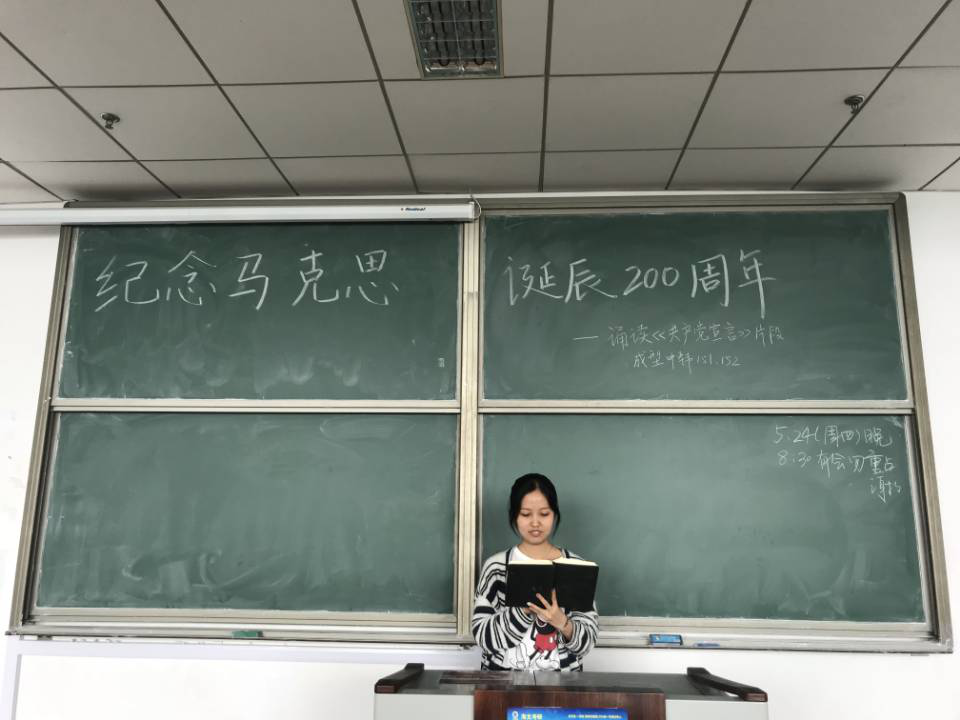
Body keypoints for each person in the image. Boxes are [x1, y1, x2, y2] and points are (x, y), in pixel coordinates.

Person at [472, 473, 598, 671]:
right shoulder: (496, 567)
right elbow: (482, 636)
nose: (535, 522)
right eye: (525, 514)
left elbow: (588, 642)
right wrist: (524, 610)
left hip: (563, 685)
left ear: (555, 514)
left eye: (544, 514)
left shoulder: (576, 567)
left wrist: (561, 622)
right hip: (501, 684)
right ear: (514, 515)